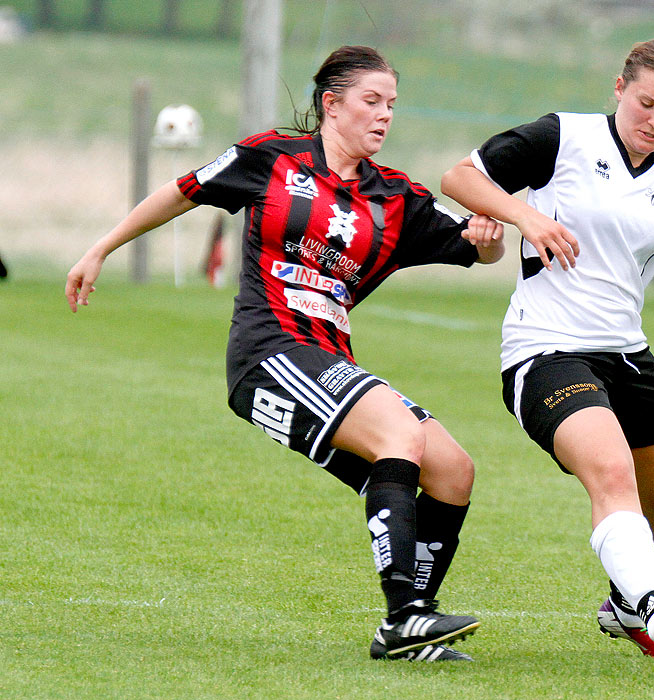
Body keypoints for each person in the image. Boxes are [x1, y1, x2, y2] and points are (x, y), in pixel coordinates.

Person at [66, 45, 505, 661]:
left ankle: (411, 627)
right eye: (370, 102)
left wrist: (489, 239)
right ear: (331, 104)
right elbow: (182, 190)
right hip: (268, 353)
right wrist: (101, 248)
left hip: (330, 360)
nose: (384, 116)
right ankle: (404, 614)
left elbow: (477, 251)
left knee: (453, 470)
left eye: (391, 106)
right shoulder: (271, 158)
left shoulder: (397, 197)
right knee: (399, 437)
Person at [441, 38, 654, 670]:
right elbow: (459, 178)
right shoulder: (564, 137)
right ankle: (652, 613)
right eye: (647, 104)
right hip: (547, 350)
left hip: (627, 356)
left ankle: (622, 606)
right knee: (611, 474)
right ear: (619, 89)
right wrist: (524, 218)